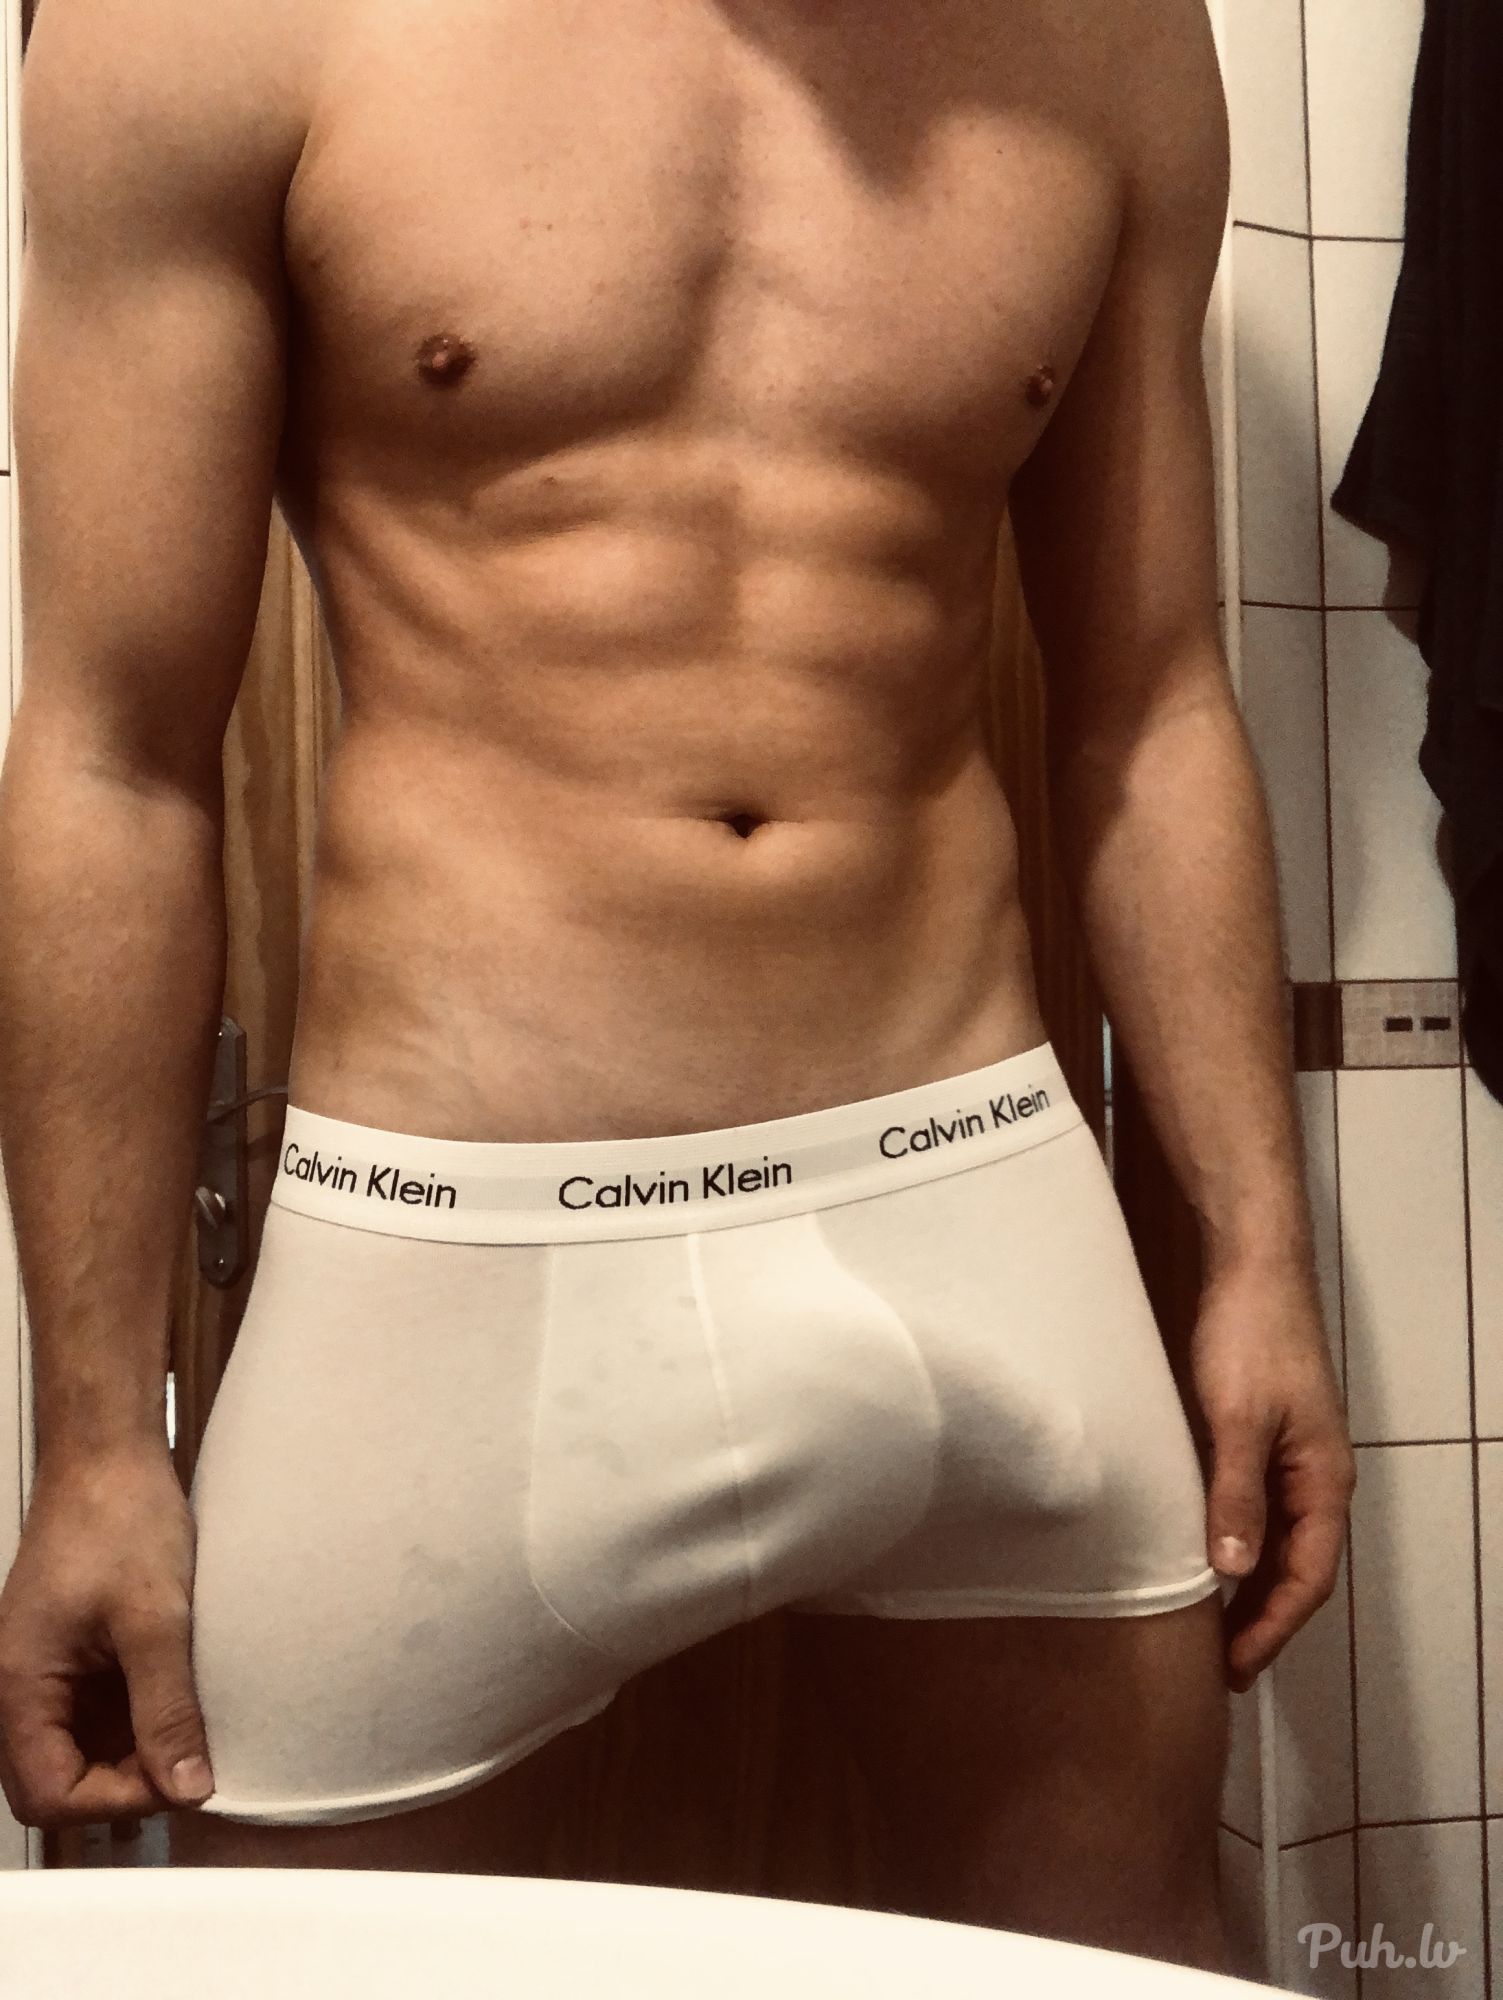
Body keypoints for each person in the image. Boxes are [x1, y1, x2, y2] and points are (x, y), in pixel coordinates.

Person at [0, 0, 1355, 1972]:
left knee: (1132, 1953)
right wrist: (94, 1438)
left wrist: (1257, 1254)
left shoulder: (1116, 45)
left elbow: (1147, 706)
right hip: (456, 1263)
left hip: (973, 1194)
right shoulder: (208, 30)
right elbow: (114, 762)